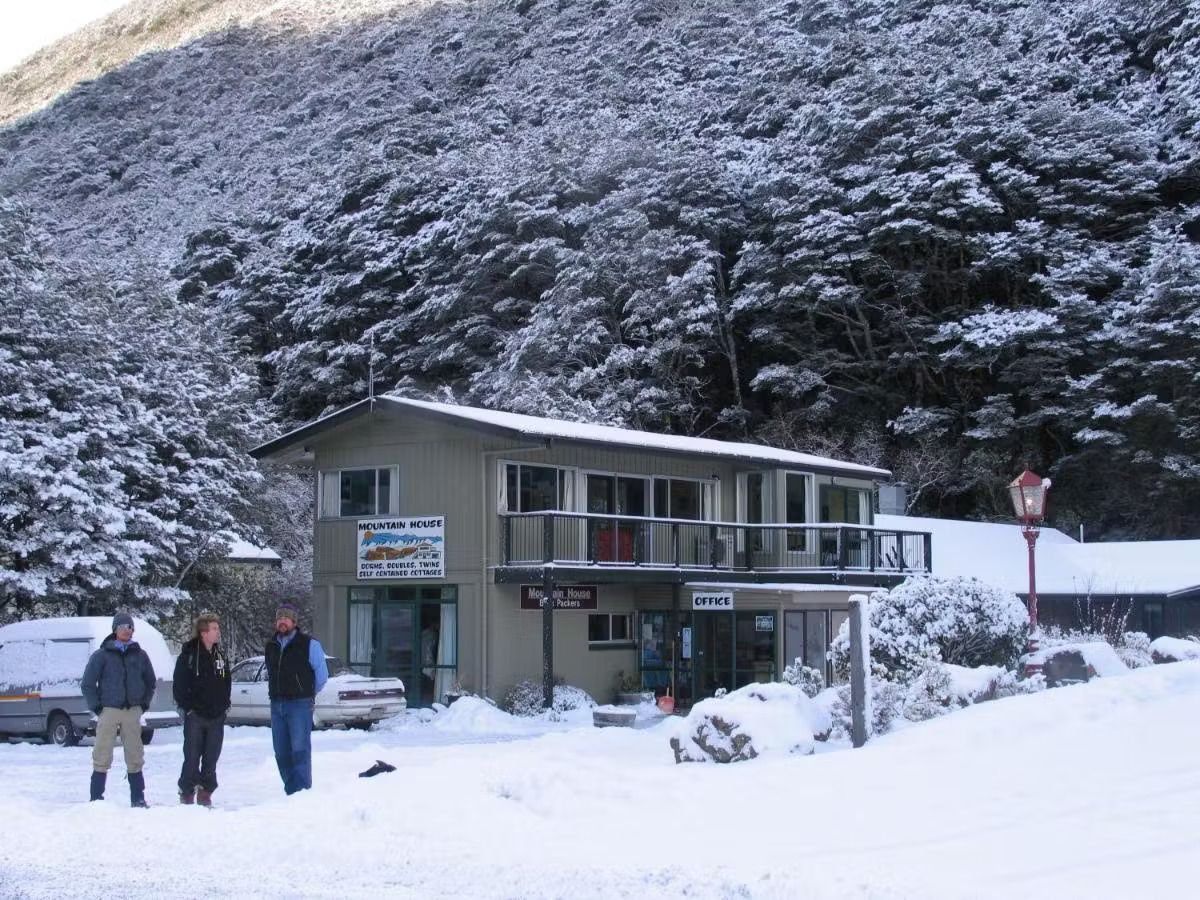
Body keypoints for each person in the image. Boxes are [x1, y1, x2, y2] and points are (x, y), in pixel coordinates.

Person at [80, 613, 156, 807]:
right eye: (122, 626)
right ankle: (96, 798)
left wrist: (143, 704)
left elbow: (150, 682)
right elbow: (88, 684)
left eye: (130, 627)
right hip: (109, 710)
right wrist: (97, 707)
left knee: (135, 754)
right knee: (102, 753)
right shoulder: (101, 655)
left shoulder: (140, 655)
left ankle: (137, 798)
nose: (126, 630)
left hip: (132, 711)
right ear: (115, 629)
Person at [264, 601, 328, 794]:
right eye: (279, 618)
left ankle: (302, 792)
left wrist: (307, 694)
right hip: (277, 704)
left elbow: (322, 676)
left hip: (300, 704)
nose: (282, 621)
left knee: (299, 749)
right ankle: (291, 789)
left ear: (294, 621)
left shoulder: (309, 644)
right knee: (281, 751)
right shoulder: (271, 646)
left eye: (286, 618)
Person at [173, 613, 232, 807]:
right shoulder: (189, 656)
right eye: (214, 629)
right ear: (203, 632)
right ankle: (187, 791)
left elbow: (226, 681)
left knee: (211, 756)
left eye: (218, 628)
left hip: (216, 715)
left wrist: (224, 705)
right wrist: (188, 708)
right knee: (191, 756)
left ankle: (206, 792)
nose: (218, 632)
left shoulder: (219, 656)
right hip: (196, 715)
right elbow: (179, 685)